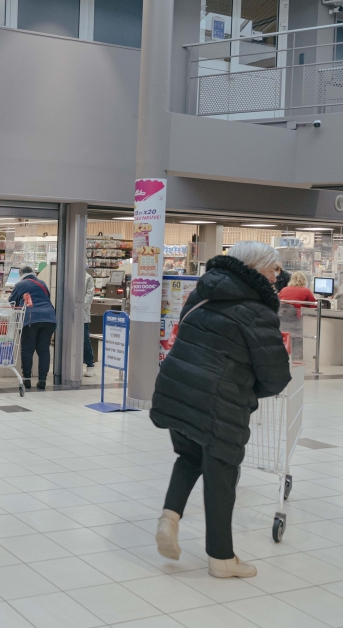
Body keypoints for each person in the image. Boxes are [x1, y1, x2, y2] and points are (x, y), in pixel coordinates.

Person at [151, 241, 291, 579]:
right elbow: (275, 376)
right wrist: (246, 389)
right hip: (220, 401)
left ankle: (169, 518)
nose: (277, 276)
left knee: (189, 457)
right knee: (222, 474)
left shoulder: (204, 292)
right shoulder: (257, 311)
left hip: (178, 389)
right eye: (273, 269)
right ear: (256, 269)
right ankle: (222, 559)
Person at [8, 265, 56, 389]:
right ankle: (42, 380)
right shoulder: (42, 283)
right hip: (49, 318)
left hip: (30, 318)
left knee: (27, 349)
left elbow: (11, 303)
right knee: (44, 349)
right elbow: (46, 299)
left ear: (21, 275)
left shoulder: (20, 285)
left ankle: (27, 379)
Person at [279, 271, 315, 361]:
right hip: (297, 324)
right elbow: (314, 307)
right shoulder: (306, 291)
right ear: (304, 281)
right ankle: (296, 361)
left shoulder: (284, 290)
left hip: (282, 324)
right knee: (298, 343)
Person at [83, 269, 96, 377]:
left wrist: (79, 308)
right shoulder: (69, 276)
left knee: (84, 340)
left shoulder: (88, 278)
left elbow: (89, 295)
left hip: (83, 316)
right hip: (69, 316)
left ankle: (90, 365)